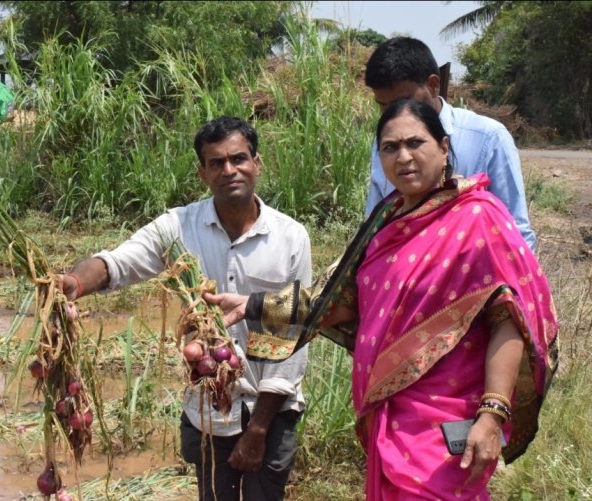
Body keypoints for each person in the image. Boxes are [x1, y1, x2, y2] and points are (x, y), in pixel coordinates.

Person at [206, 100, 559, 499]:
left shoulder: (478, 218)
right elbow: (337, 304)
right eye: (390, 147)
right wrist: (252, 305)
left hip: (447, 416)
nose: (403, 157)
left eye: (415, 143)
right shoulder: (385, 222)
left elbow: (508, 318)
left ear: (443, 147)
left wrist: (492, 415)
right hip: (389, 413)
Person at [59, 116, 312, 501]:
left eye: (239, 159)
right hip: (209, 408)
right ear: (202, 173)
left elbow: (292, 332)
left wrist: (259, 428)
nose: (229, 170)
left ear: (256, 163)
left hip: (270, 408)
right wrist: (74, 284)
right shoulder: (177, 227)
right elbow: (118, 263)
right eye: (216, 163)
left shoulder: (290, 237)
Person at [364, 36, 537, 250]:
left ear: (434, 85)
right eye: (383, 105)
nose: (393, 114)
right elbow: (375, 227)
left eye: (402, 101)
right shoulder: (385, 142)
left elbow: (517, 233)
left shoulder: (488, 138)